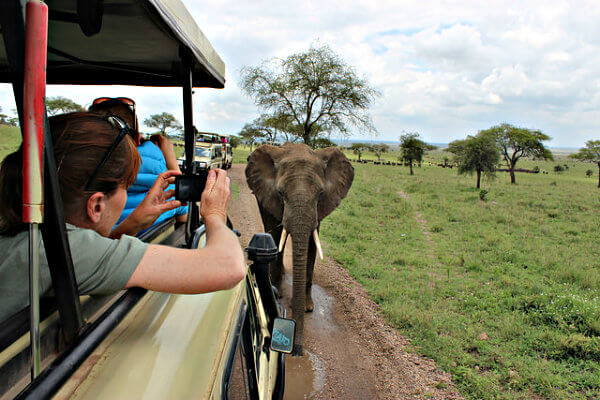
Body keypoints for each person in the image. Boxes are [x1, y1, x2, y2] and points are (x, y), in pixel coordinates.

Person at [0, 112, 245, 322]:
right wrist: (214, 214)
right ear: (96, 205)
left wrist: (132, 224)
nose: (126, 197)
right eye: (125, 188)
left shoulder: (28, 232)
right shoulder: (65, 249)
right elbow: (229, 267)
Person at [87, 97, 187, 227]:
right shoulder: (167, 193)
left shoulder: (76, 187)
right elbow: (184, 212)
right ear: (137, 138)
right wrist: (172, 163)